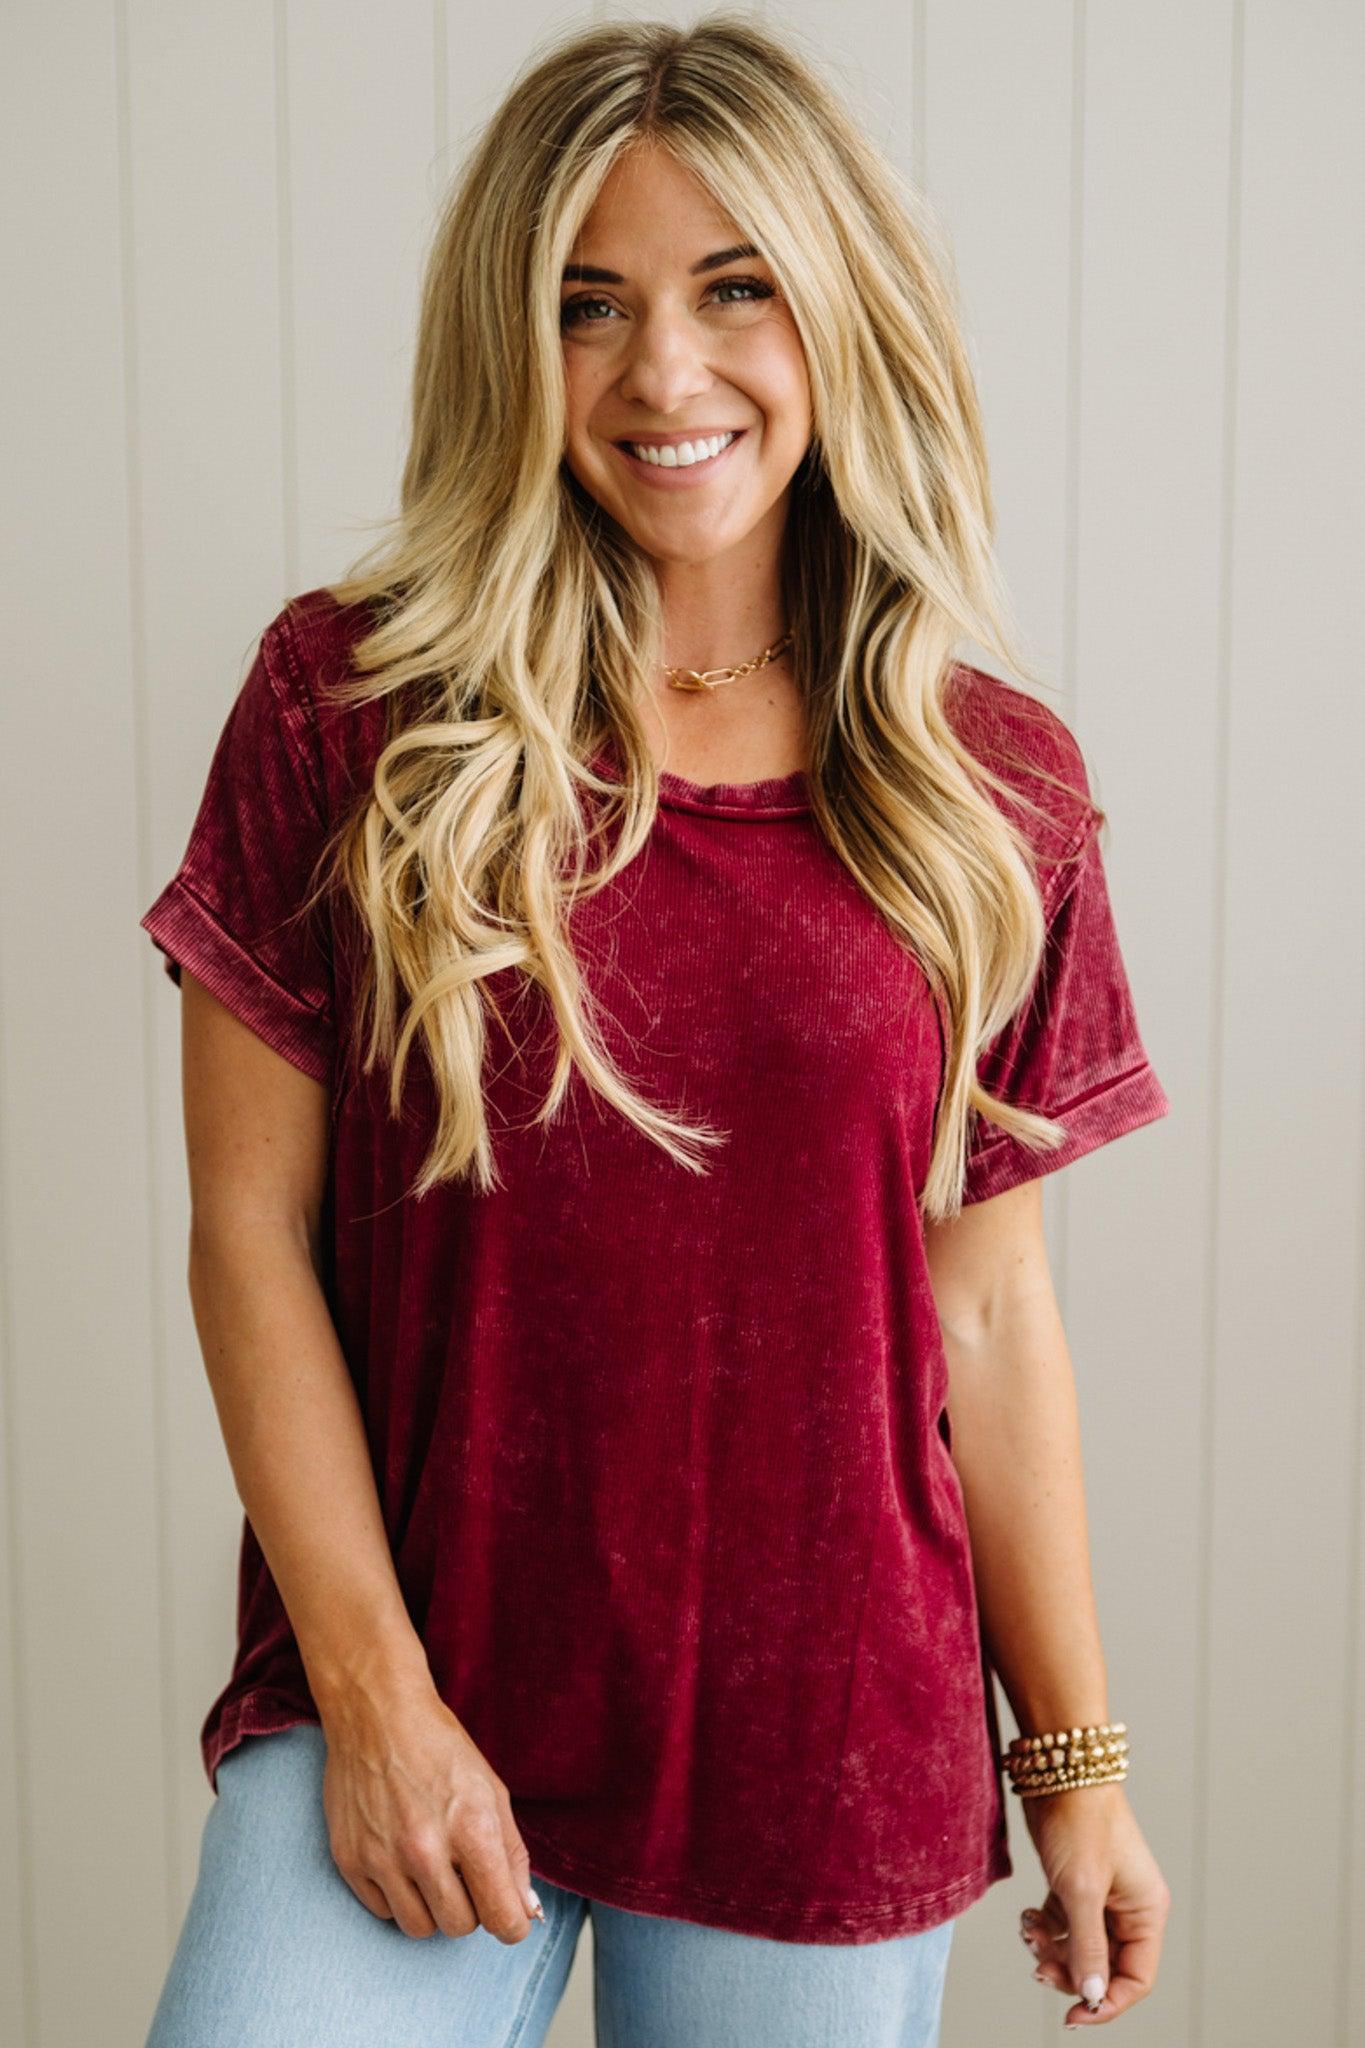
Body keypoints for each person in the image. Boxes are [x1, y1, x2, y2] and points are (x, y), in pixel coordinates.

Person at [138, 14, 1173, 2046]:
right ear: (505, 344)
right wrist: (371, 1702)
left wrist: (1077, 1766)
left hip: (825, 1754)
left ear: (837, 312)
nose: (660, 375)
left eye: (732, 290)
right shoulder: (349, 710)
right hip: (411, 1692)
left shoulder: (993, 792)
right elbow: (248, 1234)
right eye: (585, 306)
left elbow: (982, 1321)